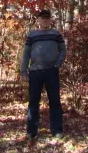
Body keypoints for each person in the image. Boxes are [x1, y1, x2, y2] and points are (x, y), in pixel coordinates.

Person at [19, 9, 66, 141]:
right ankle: (31, 131)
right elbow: (26, 54)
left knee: (55, 101)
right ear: (38, 20)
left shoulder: (56, 34)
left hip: (52, 71)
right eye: (42, 18)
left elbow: (63, 50)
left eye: (47, 17)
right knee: (33, 101)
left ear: (50, 19)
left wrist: (58, 63)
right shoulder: (32, 35)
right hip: (35, 72)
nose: (45, 20)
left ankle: (57, 130)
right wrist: (23, 71)